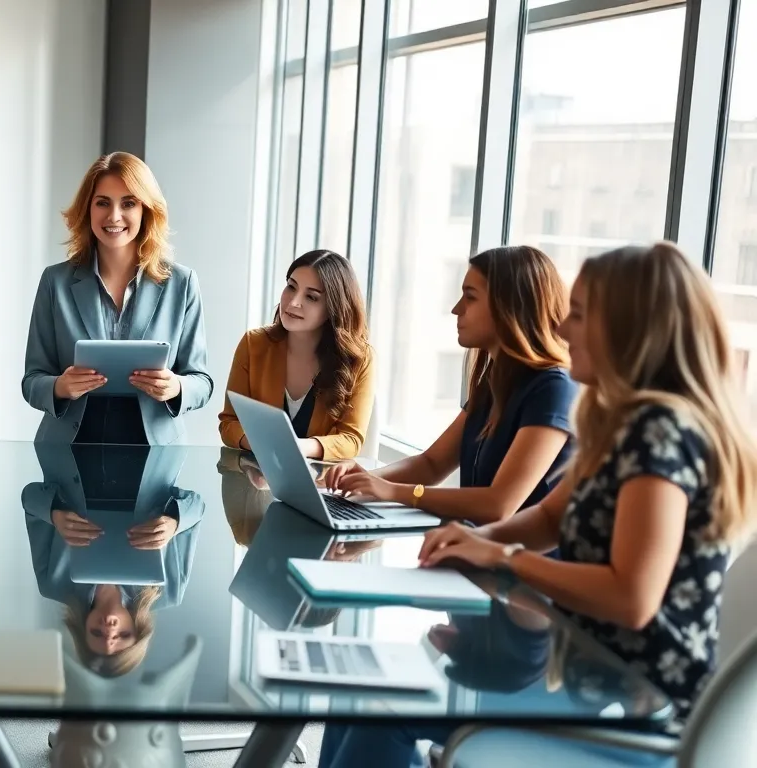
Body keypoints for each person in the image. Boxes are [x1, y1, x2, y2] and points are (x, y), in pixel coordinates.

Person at [320, 242, 757, 767]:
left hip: (629, 704)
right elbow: (550, 517)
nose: (565, 331)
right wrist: (477, 541)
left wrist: (502, 557)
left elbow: (632, 597)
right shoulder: (618, 422)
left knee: (380, 704)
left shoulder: (660, 434)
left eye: (577, 315)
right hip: (582, 669)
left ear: (627, 329)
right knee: (365, 690)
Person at [321, 246, 577, 525]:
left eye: (470, 297)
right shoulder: (495, 384)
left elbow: (498, 505)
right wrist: (364, 478)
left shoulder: (553, 389)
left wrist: (393, 491)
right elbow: (431, 464)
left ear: (510, 308)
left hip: (523, 563)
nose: (457, 309)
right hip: (477, 548)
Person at [22, 151, 213, 445]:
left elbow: (201, 382)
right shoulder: (55, 282)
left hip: (155, 450)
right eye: (102, 203)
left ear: (146, 210)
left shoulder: (182, 283)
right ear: (88, 209)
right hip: (70, 448)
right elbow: (32, 380)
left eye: (128, 203)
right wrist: (60, 386)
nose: (114, 216)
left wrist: (175, 386)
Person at [23, 442, 204, 676]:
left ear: (83, 630)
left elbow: (29, 498)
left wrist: (54, 513)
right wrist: (174, 522)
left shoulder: (54, 585)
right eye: (122, 635)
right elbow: (197, 506)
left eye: (96, 634)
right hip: (147, 458)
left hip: (80, 455)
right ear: (137, 630)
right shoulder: (169, 590)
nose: (109, 627)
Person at [219, 250, 374, 460]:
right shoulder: (253, 344)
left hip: (320, 484)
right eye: (291, 287)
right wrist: (262, 445)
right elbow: (229, 422)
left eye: (311, 297)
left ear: (334, 308)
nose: (293, 302)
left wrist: (298, 448)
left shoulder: (359, 359)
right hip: (255, 479)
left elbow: (350, 439)